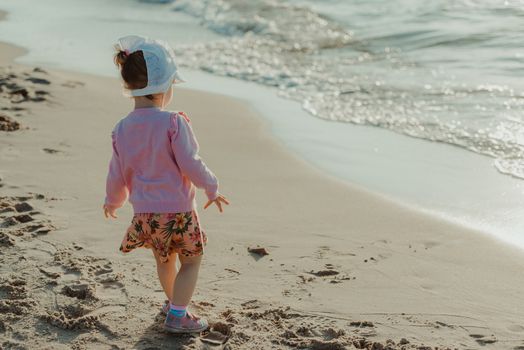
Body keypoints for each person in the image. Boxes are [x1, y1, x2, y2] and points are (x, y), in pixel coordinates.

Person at [102, 35, 229, 333]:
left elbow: (116, 171)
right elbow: (190, 162)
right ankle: (178, 315)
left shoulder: (121, 128)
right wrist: (212, 187)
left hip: (145, 214)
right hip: (178, 213)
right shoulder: (173, 122)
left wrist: (113, 200)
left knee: (164, 259)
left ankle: (173, 302)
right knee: (192, 261)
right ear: (164, 87)